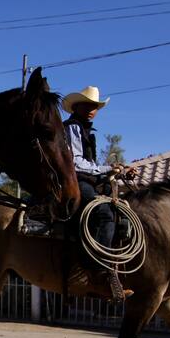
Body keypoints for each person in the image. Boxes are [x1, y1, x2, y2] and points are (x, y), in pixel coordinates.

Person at [61, 86, 134, 300]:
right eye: (89, 105)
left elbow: (89, 163)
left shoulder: (85, 129)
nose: (93, 109)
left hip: (87, 179)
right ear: (77, 106)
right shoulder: (73, 127)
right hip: (76, 180)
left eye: (96, 106)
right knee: (104, 213)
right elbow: (76, 162)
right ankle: (96, 274)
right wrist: (107, 169)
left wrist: (120, 170)